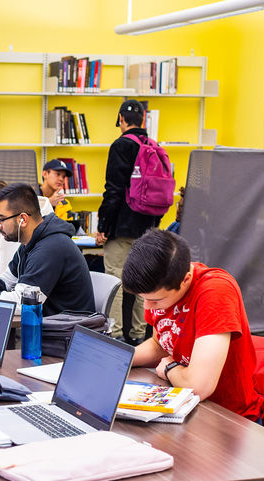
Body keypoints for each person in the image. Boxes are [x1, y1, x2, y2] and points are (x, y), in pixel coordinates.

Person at [118, 230, 258, 481]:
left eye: (156, 299)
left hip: (224, 418)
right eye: (145, 300)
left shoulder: (215, 291)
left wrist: (168, 371)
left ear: (185, 280)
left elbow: (198, 383)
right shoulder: (161, 284)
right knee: (110, 452)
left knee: (130, 476)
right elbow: (161, 341)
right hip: (179, 406)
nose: (150, 306)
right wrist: (120, 360)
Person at [0, 183, 94, 316]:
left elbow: (24, 303)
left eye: (1, 219)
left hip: (66, 332)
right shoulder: (29, 243)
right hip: (49, 326)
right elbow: (6, 281)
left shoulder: (50, 248)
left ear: (23, 219)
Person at [98, 99, 162, 344]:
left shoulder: (120, 145)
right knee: (141, 283)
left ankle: (114, 336)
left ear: (121, 120)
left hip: (122, 227)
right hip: (148, 228)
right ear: (143, 120)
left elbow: (113, 190)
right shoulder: (152, 145)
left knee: (116, 281)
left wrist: (103, 226)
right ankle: (138, 335)